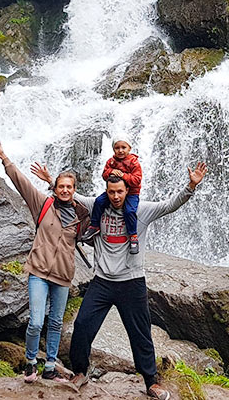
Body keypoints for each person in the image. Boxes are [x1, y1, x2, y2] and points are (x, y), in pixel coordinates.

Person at [33, 159, 208, 400]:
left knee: (140, 333)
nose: (116, 197)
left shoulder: (141, 210)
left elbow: (170, 205)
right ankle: (80, 372)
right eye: (112, 192)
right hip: (102, 281)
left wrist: (190, 186)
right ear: (106, 191)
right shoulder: (98, 206)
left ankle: (151, 382)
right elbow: (71, 194)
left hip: (132, 282)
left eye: (120, 192)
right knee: (83, 325)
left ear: (128, 191)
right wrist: (50, 180)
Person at [0, 140, 89, 383]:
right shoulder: (43, 204)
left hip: (63, 276)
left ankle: (50, 368)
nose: (65, 190)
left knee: (55, 324)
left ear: (74, 189)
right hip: (39, 272)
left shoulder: (80, 215)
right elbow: (21, 183)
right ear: (55, 188)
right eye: (61, 186)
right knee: (35, 322)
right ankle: (31, 364)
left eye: (69, 187)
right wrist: (5, 159)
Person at [83, 139, 143, 254]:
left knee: (130, 211)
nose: (120, 150)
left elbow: (137, 180)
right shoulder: (111, 162)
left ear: (129, 148)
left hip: (131, 193)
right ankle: (94, 226)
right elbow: (104, 175)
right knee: (99, 201)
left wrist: (123, 176)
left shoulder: (134, 162)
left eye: (123, 147)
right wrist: (111, 171)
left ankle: (133, 236)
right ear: (113, 149)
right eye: (117, 148)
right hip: (114, 191)